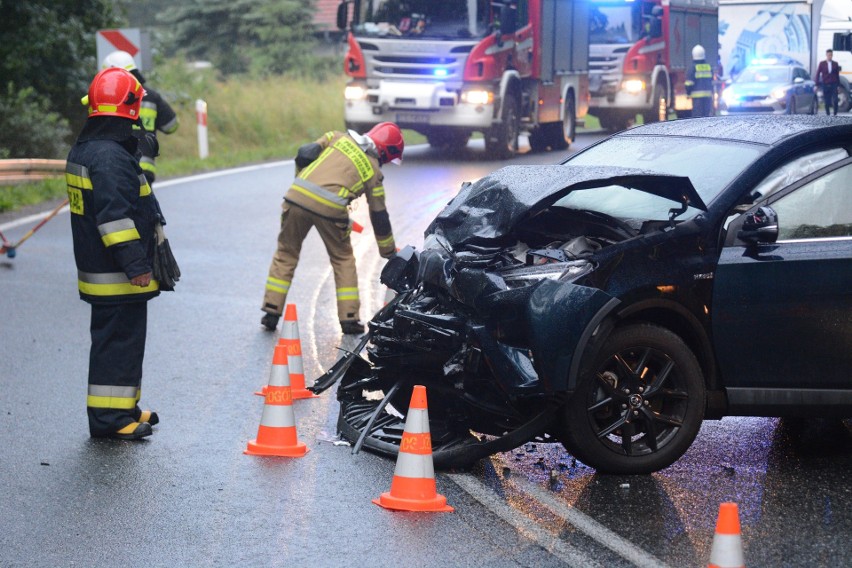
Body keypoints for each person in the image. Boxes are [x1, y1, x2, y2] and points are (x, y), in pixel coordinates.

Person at [66, 67, 169, 440]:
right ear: (130, 108)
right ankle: (110, 421)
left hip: (102, 270)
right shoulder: (108, 158)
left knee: (122, 343)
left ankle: (123, 407)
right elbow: (114, 219)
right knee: (117, 346)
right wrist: (136, 265)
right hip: (117, 274)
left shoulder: (90, 148)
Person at [261, 123, 404, 334]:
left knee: (286, 252)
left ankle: (271, 310)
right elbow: (379, 214)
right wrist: (389, 252)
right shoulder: (372, 170)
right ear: (386, 151)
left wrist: (300, 185)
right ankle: (349, 319)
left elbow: (304, 153)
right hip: (331, 209)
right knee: (342, 258)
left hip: (296, 197)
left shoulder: (336, 137)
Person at [102, 50, 179, 185]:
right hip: (145, 169)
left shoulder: (106, 98)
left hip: (115, 168)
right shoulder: (151, 96)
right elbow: (171, 126)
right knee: (144, 205)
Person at [686, 44, 714, 117]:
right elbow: (711, 81)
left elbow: (689, 83)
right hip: (708, 97)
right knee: (706, 115)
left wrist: (688, 93)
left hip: (697, 98)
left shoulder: (693, 68)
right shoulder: (708, 67)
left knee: (698, 117)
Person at [815, 49, 842, 116]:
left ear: (832, 55)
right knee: (827, 101)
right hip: (825, 84)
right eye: (828, 55)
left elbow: (837, 75)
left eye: (831, 55)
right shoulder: (822, 63)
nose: (830, 56)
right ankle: (828, 114)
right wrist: (816, 84)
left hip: (834, 84)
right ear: (826, 55)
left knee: (835, 100)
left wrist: (838, 85)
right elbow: (818, 74)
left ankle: (835, 114)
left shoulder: (835, 64)